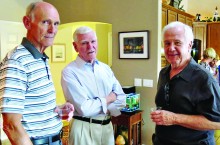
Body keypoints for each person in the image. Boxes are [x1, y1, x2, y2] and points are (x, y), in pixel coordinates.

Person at [0, 2, 74, 145]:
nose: (53, 29)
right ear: (27, 23)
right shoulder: (17, 62)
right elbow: (11, 125)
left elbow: (30, 106)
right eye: (46, 22)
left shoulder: (41, 58)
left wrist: (56, 109)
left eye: (57, 24)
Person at [151, 21, 220, 145]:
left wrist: (174, 119)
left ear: (189, 45)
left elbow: (217, 122)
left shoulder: (203, 78)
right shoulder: (163, 73)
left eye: (177, 42)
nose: (171, 48)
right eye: (167, 43)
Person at [61, 26, 126, 145]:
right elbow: (85, 109)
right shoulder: (69, 72)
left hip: (107, 129)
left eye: (93, 41)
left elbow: (122, 100)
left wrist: (99, 106)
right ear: (75, 46)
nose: (90, 47)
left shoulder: (105, 68)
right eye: (84, 43)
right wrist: (109, 98)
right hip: (83, 129)